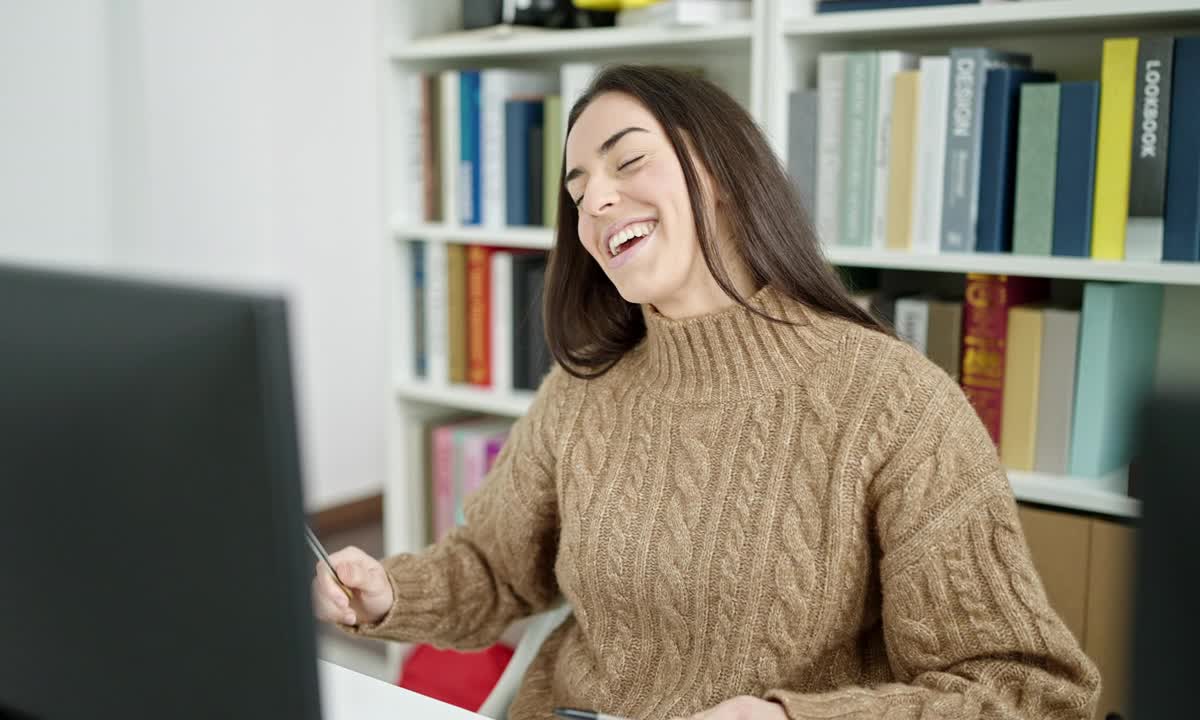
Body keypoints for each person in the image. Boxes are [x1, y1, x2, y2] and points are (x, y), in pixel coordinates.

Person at [314, 65, 1100, 720]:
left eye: (627, 162)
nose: (594, 202)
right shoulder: (583, 391)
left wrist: (794, 718)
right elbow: (495, 570)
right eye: (578, 189)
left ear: (720, 173)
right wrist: (389, 593)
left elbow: (1027, 692)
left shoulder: (895, 404)